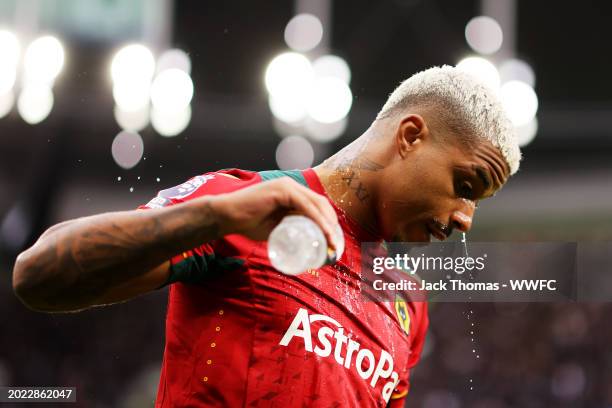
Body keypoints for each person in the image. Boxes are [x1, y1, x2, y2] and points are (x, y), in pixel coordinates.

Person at [12, 65, 521, 407]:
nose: (465, 219)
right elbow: (37, 276)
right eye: (465, 186)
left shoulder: (407, 303)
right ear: (410, 137)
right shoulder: (245, 201)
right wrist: (216, 217)